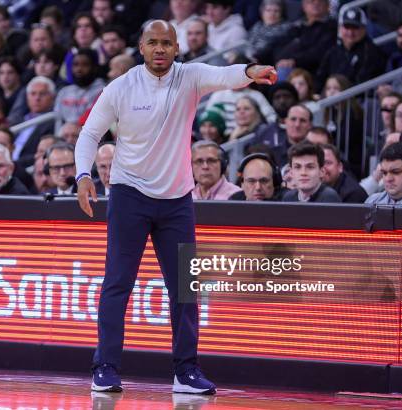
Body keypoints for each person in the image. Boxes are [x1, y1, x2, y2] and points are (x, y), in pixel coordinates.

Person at [74, 19, 276, 394]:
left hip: (177, 200)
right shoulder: (121, 87)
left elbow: (225, 74)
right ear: (141, 46)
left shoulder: (190, 77)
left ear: (177, 47)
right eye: (153, 42)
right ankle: (104, 367)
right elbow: (88, 134)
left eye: (167, 43)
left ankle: (186, 371)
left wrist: (251, 71)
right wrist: (83, 176)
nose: (160, 49)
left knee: (185, 287)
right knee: (118, 284)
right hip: (129, 194)